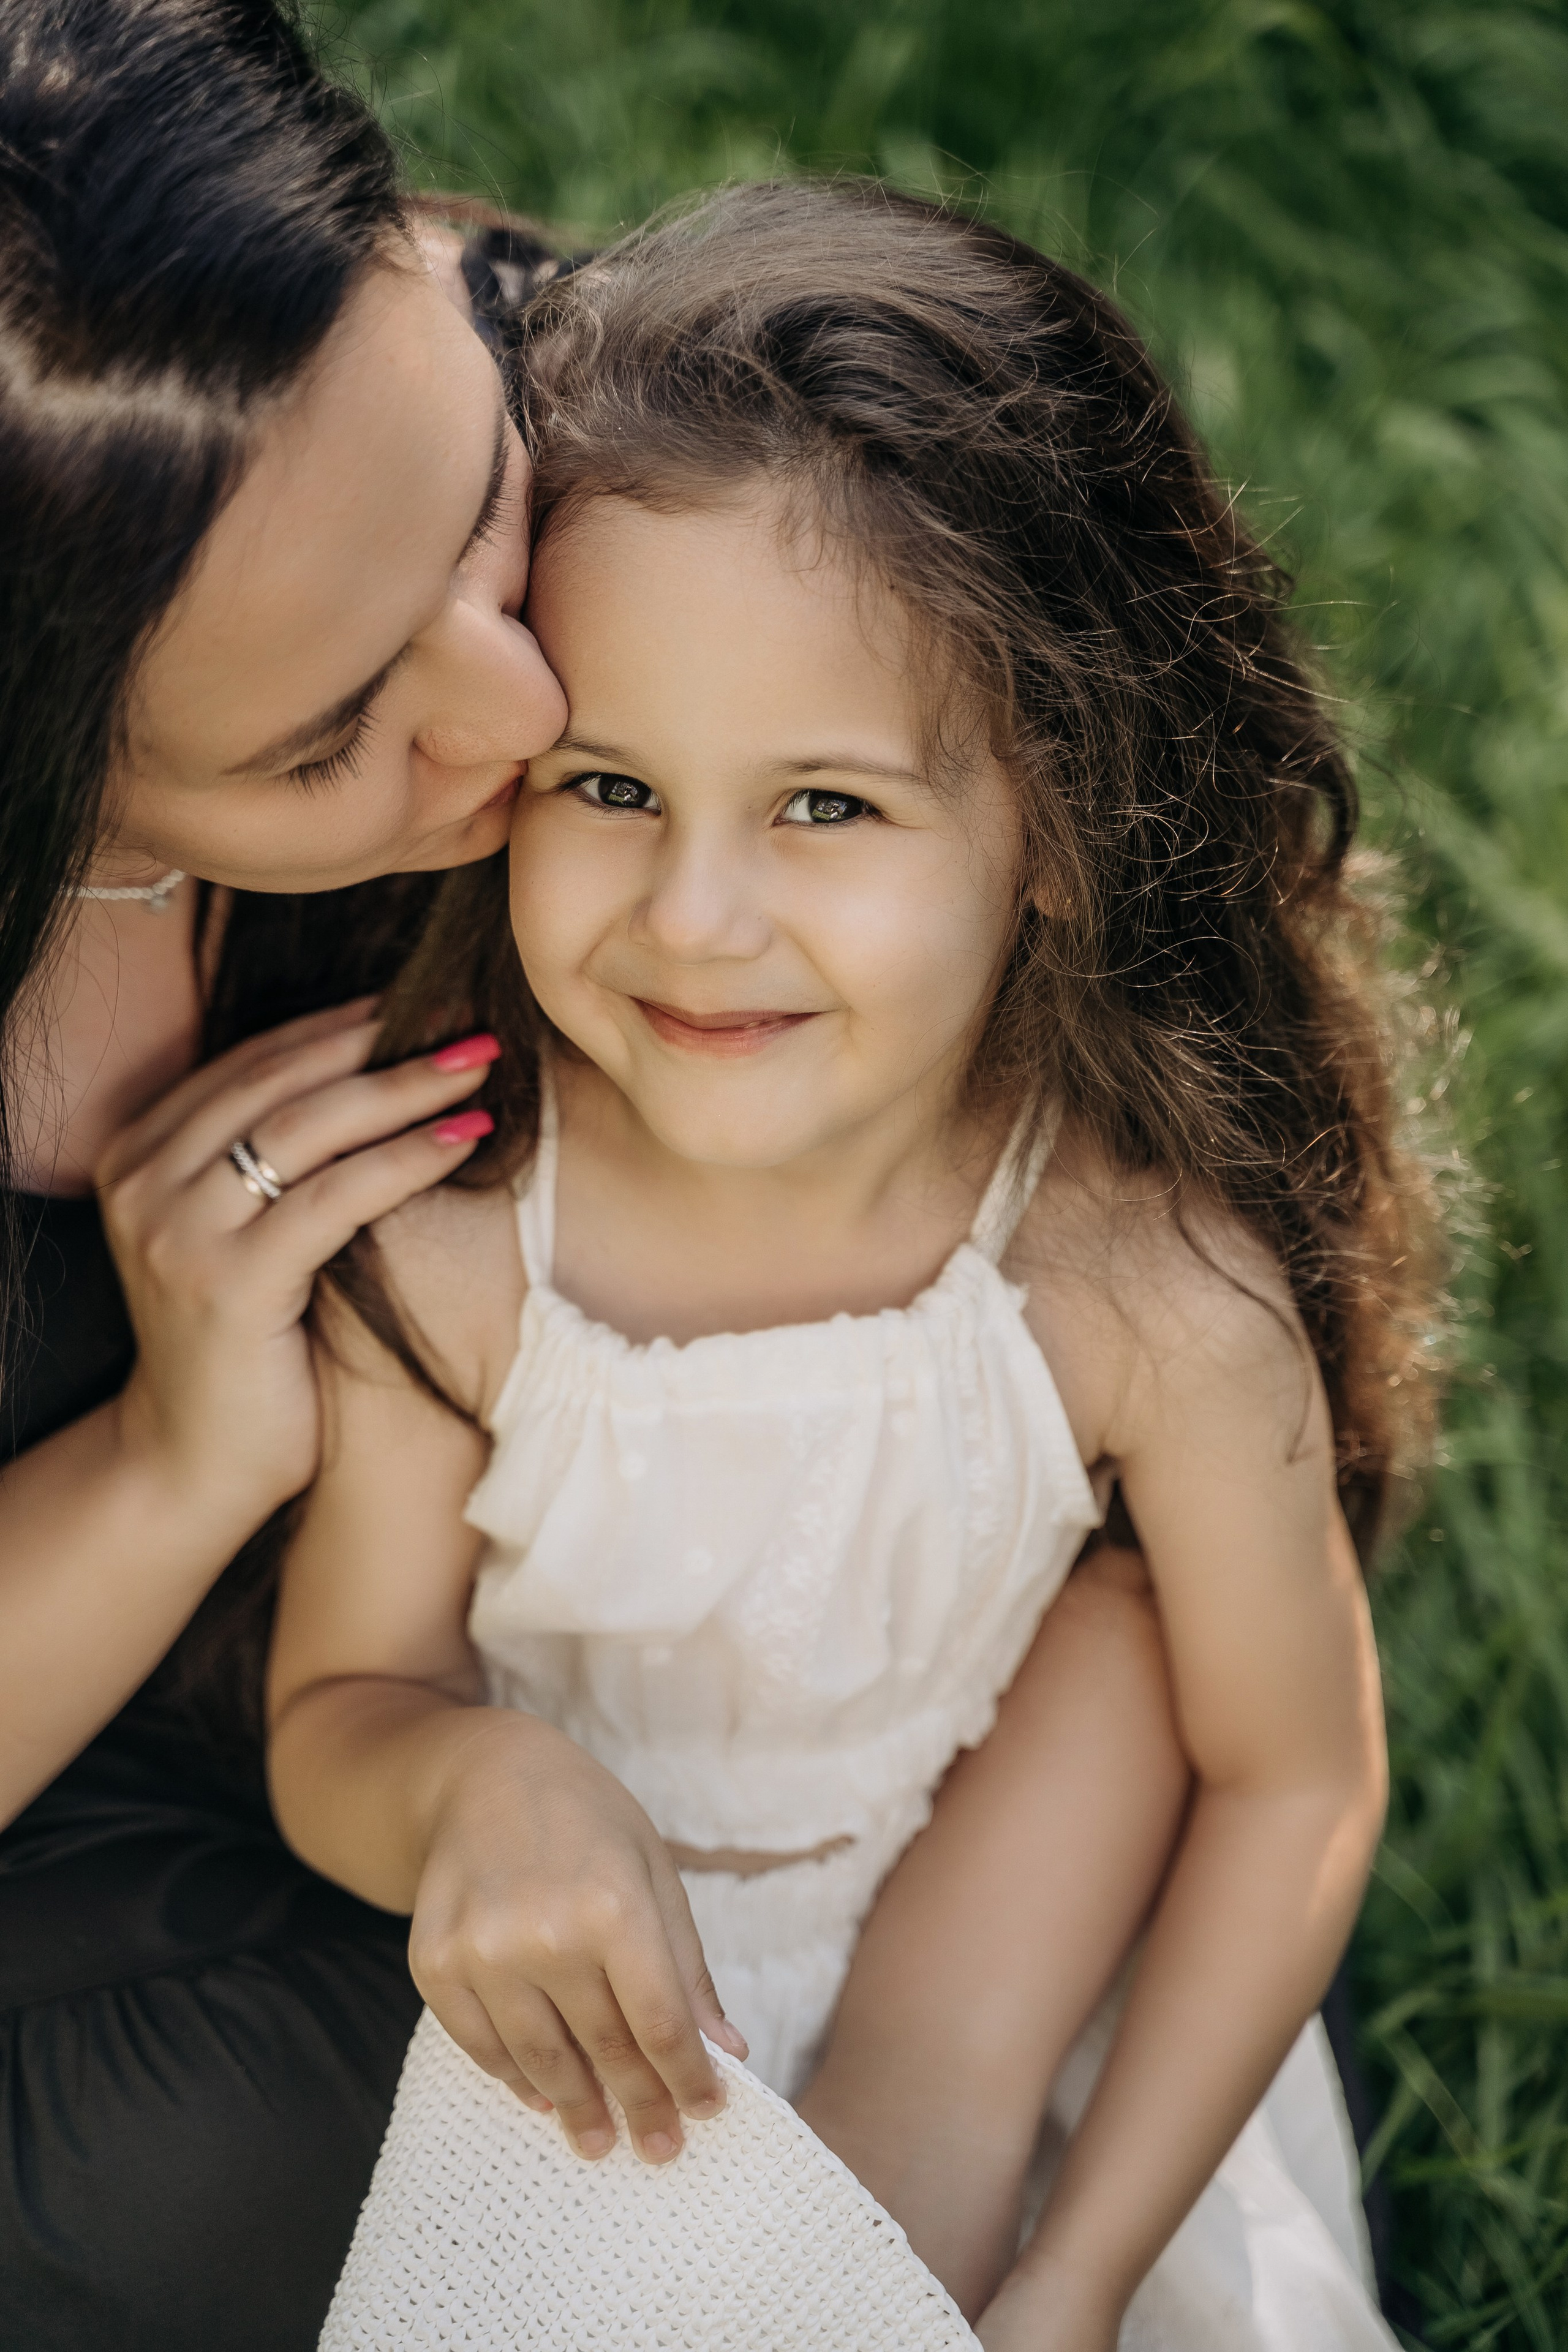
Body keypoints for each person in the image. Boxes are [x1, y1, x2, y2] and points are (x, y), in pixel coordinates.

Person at [266, 181, 1440, 2346]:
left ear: (1061, 828)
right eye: (609, 784)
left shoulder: (1140, 1292)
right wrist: (479, 1783)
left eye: (825, 806)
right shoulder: (457, 1244)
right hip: (558, 2028)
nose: (695, 917)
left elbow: (1295, 1773)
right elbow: (338, 1708)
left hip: (1001, 1999)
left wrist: (1078, 2279)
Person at [0, 6, 570, 2345]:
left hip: (482, 1652)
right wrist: (176, 1456)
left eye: (480, 507)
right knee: (230, 2175)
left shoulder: (559, 380)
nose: (526, 711)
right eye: (333, 741)